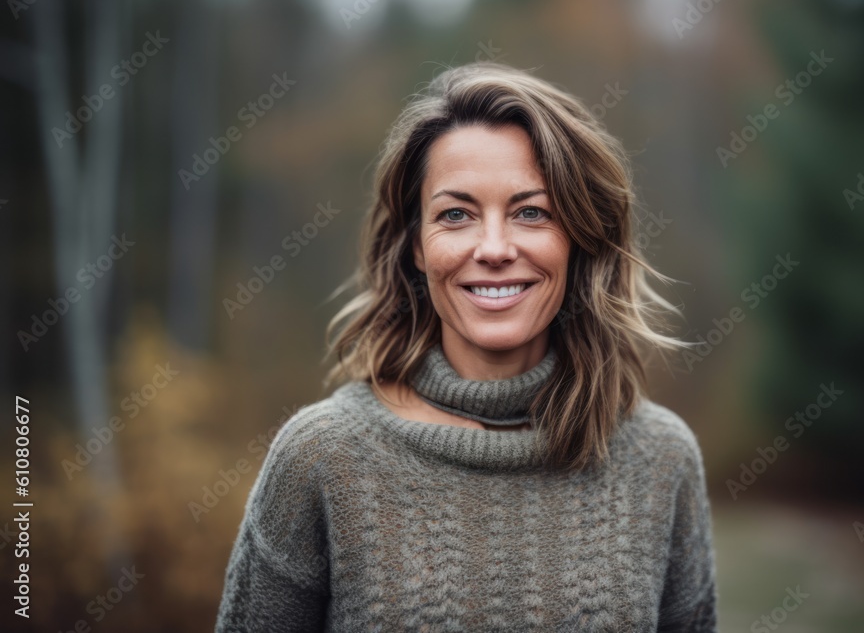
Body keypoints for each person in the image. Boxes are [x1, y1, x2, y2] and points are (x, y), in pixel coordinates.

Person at [215, 61, 717, 632]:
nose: (495, 247)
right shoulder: (321, 458)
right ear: (416, 248)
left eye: (532, 212)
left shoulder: (660, 457)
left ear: (579, 239)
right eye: (456, 214)